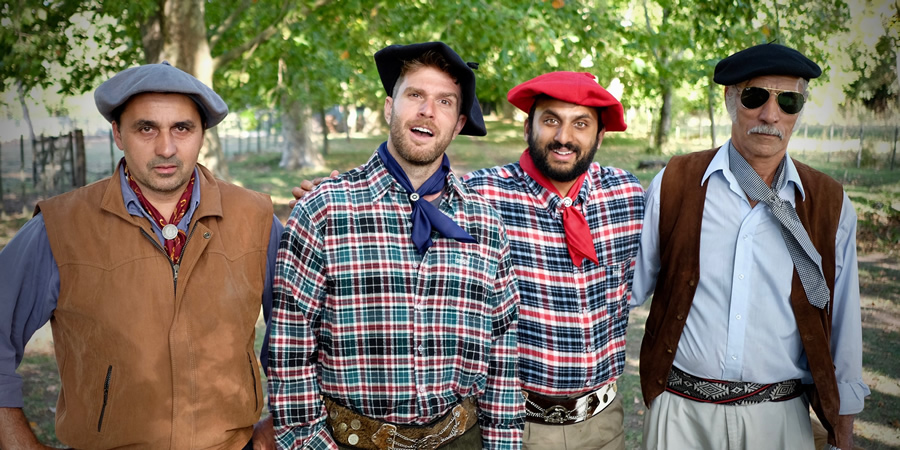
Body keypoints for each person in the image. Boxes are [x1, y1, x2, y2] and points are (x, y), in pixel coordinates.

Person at [291, 71, 646, 449]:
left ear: (600, 135)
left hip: (604, 423)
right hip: (519, 422)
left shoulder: (627, 197)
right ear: (529, 126)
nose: (563, 137)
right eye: (550, 121)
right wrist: (327, 194)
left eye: (581, 124)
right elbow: (411, 189)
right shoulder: (481, 196)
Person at [0, 62, 281, 449]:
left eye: (182, 128)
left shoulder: (256, 218)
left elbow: (300, 335)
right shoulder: (60, 227)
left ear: (202, 134)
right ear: (117, 133)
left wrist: (278, 427)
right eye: (146, 128)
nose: (165, 148)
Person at [268, 42, 524, 449]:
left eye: (444, 102)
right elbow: (290, 354)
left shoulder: (485, 223)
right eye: (415, 95)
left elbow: (503, 358)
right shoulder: (324, 211)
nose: (427, 111)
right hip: (350, 440)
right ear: (390, 107)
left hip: (461, 438)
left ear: (458, 124)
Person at [631, 43, 869, 450]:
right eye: (755, 96)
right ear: (730, 100)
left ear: (798, 112)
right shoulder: (675, 183)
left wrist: (842, 427)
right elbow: (626, 290)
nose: (770, 115)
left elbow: (843, 319)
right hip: (681, 415)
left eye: (788, 101)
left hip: (778, 420)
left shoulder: (829, 203)